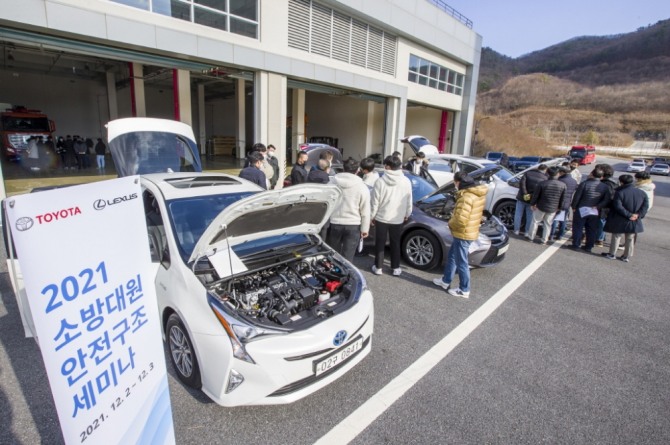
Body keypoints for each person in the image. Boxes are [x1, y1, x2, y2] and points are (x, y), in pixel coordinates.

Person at [432, 172, 488, 298]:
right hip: (468, 230)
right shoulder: (477, 194)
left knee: (461, 261)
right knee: (452, 256)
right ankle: (445, 281)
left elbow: (460, 219)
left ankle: (464, 289)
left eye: (455, 182)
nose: (454, 185)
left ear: (459, 182)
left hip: (463, 233)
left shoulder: (466, 197)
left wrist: (450, 223)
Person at [370, 156, 412, 276]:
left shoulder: (380, 181)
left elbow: (375, 202)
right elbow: (409, 200)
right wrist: (407, 213)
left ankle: (378, 267)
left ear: (388, 166)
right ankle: (396, 267)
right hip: (397, 217)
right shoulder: (406, 181)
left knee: (380, 242)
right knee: (395, 242)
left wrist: (372, 216)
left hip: (381, 217)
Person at [328, 158, 371, 262]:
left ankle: (334, 276)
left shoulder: (332, 183)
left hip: (335, 222)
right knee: (348, 257)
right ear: (357, 170)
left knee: (333, 255)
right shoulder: (362, 186)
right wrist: (365, 229)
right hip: (353, 224)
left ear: (343, 168)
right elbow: (365, 210)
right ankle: (346, 276)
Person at [602, 174, 648, 262]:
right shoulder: (642, 193)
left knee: (616, 236)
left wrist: (628, 215)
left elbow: (618, 206)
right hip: (634, 219)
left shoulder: (620, 192)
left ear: (621, 182)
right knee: (630, 237)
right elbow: (645, 206)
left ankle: (612, 254)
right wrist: (637, 215)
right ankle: (626, 256)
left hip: (620, 218)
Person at [570, 168, 609, 253]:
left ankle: (576, 244)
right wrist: (598, 206)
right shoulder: (605, 187)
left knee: (578, 227)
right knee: (592, 229)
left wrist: (574, 206)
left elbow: (577, 197)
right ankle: (589, 246)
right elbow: (606, 200)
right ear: (601, 177)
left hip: (582, 208)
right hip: (595, 210)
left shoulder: (584, 184)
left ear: (591, 174)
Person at [528, 166, 566, 244]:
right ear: (557, 174)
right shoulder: (563, 185)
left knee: (535, 222)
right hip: (553, 208)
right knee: (548, 224)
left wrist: (532, 204)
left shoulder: (542, 183)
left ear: (547, 173)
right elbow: (563, 198)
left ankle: (531, 237)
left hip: (540, 206)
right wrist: (560, 207)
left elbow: (536, 195)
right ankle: (544, 240)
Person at [513, 164, 548, 236]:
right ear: (545, 170)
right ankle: (526, 232)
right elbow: (540, 190)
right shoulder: (545, 178)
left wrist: (525, 194)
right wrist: (532, 196)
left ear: (538, 168)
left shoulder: (528, 173)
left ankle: (516, 230)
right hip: (532, 200)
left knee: (518, 214)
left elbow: (522, 184)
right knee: (529, 216)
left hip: (522, 197)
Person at [551, 167, 578, 240]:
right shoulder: (574, 181)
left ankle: (551, 235)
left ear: (562, 172)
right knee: (563, 220)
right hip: (567, 203)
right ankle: (560, 235)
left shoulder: (561, 180)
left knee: (555, 219)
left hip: (558, 202)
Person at [595, 164, 617, 247]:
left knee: (601, 223)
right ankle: (600, 237)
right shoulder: (613, 182)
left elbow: (608, 197)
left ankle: (599, 239)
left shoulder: (607, 184)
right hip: (606, 207)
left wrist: (599, 205)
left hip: (603, 208)